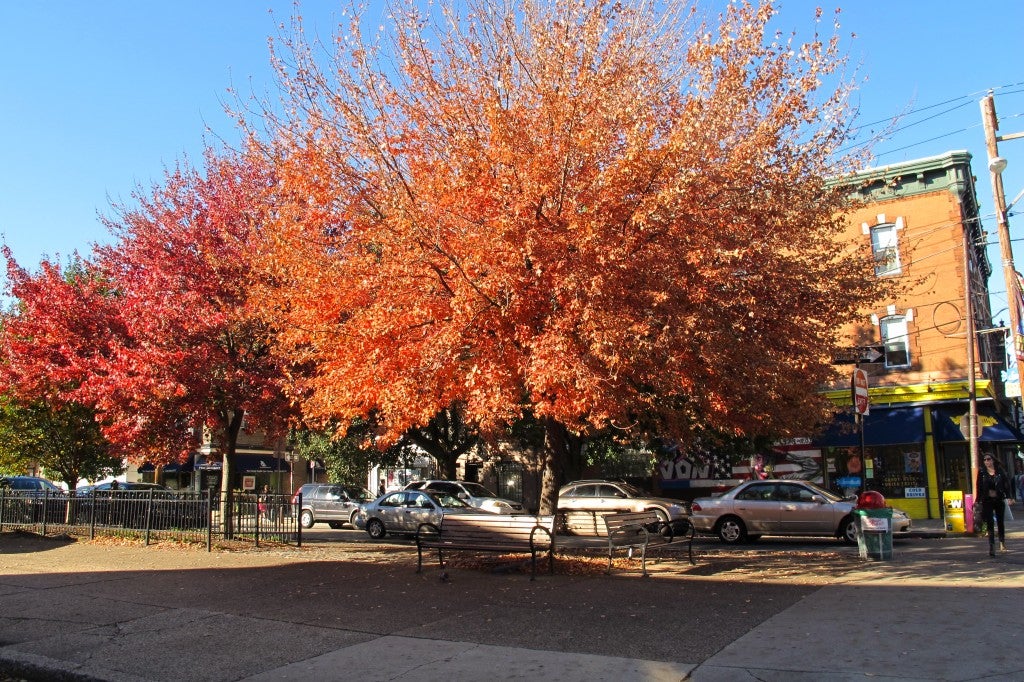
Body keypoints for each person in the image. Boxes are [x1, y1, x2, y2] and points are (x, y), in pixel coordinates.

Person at [976, 455, 1014, 556]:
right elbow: (978, 487)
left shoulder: (1000, 471)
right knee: (990, 523)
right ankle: (992, 546)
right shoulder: (982, 472)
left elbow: (1006, 484)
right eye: (984, 460)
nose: (987, 461)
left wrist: (1009, 497)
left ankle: (1002, 542)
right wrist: (977, 500)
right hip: (987, 500)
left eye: (989, 459)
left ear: (993, 460)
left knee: (1000, 522)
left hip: (999, 499)